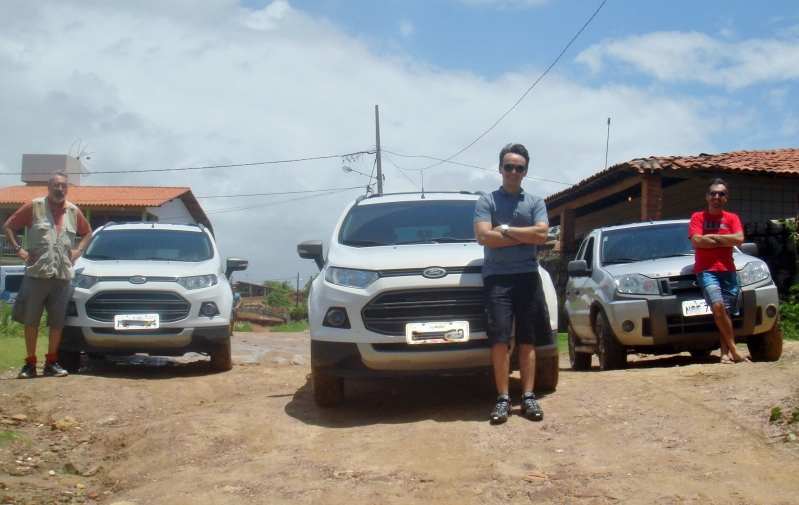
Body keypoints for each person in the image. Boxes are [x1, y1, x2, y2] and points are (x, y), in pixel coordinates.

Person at [474, 143, 551, 424]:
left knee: (529, 339)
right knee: (500, 340)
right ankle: (503, 399)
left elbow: (542, 235)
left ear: (525, 171)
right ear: (500, 169)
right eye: (509, 166)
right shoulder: (487, 201)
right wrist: (525, 235)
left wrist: (504, 230)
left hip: (528, 276)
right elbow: (484, 237)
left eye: (519, 167)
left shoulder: (535, 202)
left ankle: (528, 397)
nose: (513, 171)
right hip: (497, 279)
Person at [2, 171, 92, 378]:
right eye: (56, 186)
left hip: (61, 276)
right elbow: (8, 226)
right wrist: (19, 249)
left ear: (67, 188)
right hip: (37, 274)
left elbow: (88, 232)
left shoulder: (72, 211)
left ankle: (52, 362)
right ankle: (30, 364)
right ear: (49, 187)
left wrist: (79, 250)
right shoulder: (34, 206)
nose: (60, 190)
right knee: (31, 320)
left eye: (64, 186)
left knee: (57, 322)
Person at [689, 178, 748, 364]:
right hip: (707, 270)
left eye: (721, 194)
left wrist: (711, 238)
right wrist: (725, 239)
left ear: (726, 198)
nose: (717, 196)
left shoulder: (732, 218)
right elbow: (697, 241)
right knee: (718, 307)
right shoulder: (698, 217)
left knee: (726, 313)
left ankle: (724, 354)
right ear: (707, 196)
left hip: (728, 270)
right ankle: (735, 350)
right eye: (713, 193)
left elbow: (739, 239)